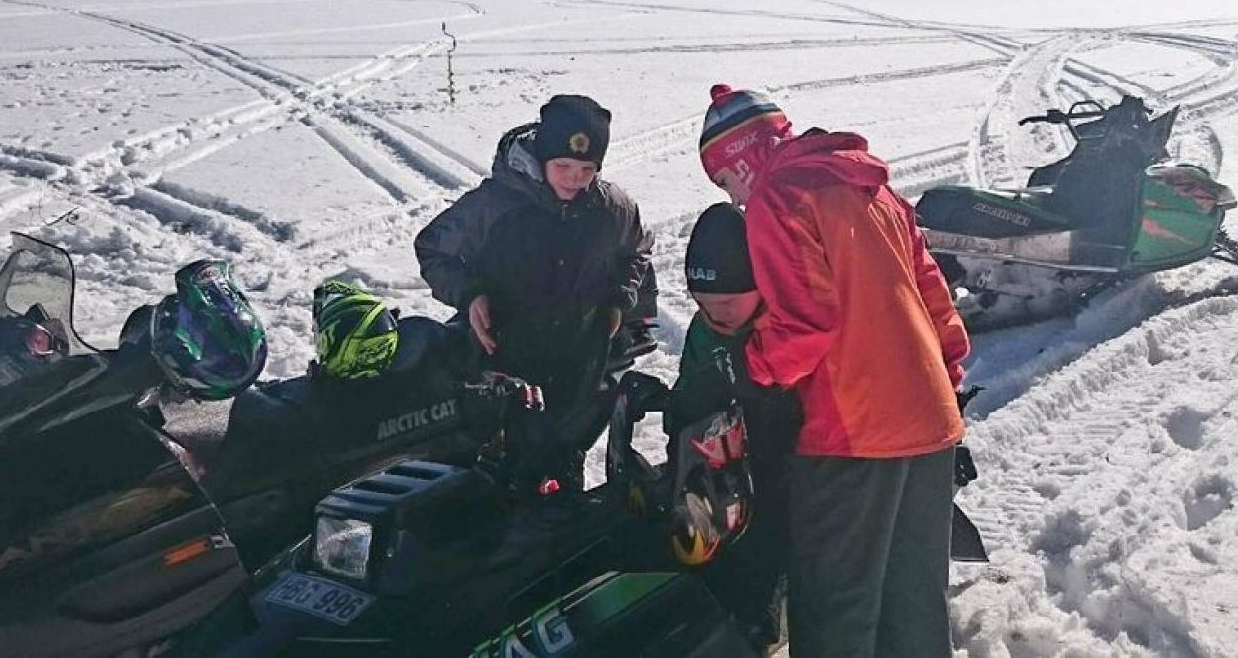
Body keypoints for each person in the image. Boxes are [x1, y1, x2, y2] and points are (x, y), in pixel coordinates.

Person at [697, 84, 970, 658]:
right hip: (930, 423)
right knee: (914, 601)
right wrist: (946, 373)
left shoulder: (779, 196)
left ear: (742, 158)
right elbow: (932, 295)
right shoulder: (872, 189)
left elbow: (805, 322)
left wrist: (752, 368)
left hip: (853, 433)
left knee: (835, 606)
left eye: (725, 182)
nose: (736, 200)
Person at [415, 94, 653, 491]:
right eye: (563, 165)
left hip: (580, 357)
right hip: (505, 358)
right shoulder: (494, 205)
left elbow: (637, 252)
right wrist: (470, 295)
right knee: (505, 472)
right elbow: (433, 249)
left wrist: (617, 301)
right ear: (541, 158)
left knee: (563, 457)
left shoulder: (612, 209)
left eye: (586, 168)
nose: (575, 178)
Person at [665, 202, 799, 653]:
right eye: (702, 303)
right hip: (725, 467)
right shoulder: (706, 331)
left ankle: (767, 618)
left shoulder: (785, 326)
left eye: (725, 302)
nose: (714, 313)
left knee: (771, 540)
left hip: (785, 468)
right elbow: (689, 388)